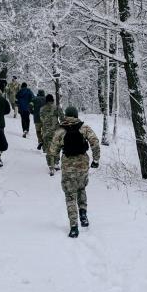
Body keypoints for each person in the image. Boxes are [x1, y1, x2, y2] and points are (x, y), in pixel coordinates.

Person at [47, 106, 101, 238]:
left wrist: (55, 162)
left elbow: (52, 150)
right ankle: (83, 214)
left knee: (70, 195)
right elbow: (95, 143)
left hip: (68, 166)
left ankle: (74, 227)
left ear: (66, 115)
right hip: (83, 164)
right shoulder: (84, 128)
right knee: (81, 188)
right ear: (76, 115)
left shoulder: (60, 130)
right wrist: (96, 160)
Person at [40, 94, 63, 175]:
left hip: (46, 132)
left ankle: (51, 166)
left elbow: (42, 119)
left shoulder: (42, 109)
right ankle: (56, 163)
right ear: (53, 100)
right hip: (56, 131)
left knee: (48, 149)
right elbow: (62, 119)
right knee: (56, 147)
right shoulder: (57, 108)